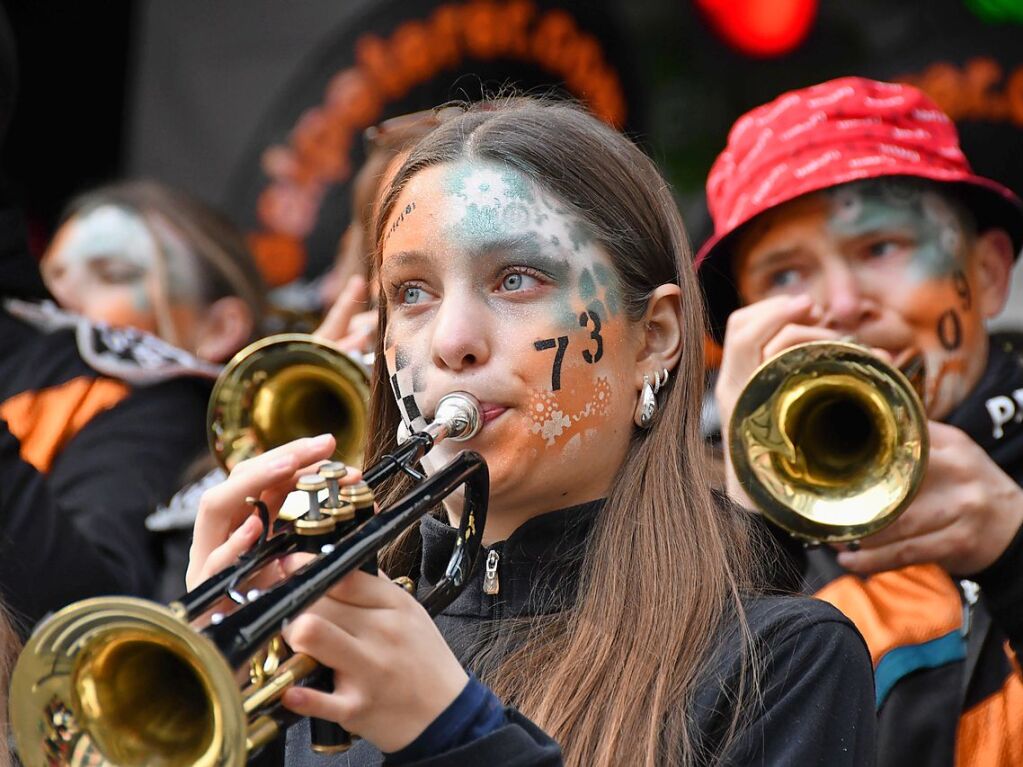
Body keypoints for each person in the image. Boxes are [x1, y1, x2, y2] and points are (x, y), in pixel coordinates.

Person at [188, 97, 876, 766]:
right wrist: (204, 703)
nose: (450, 341)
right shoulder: (314, 645)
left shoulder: (782, 660)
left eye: (515, 279)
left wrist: (453, 737)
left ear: (654, 339)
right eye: (412, 293)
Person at [697, 77, 1023, 765]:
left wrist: (1014, 547)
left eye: (880, 248)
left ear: (989, 272)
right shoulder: (702, 532)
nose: (840, 306)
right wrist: (744, 544)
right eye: (785, 275)